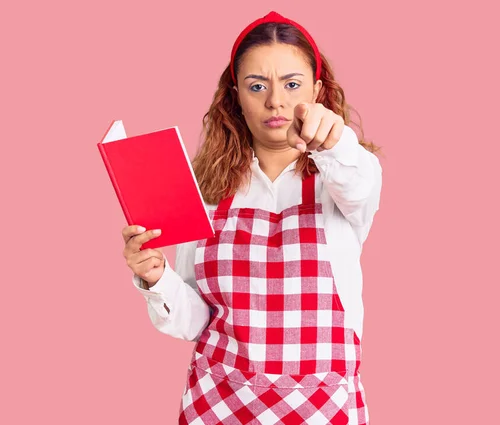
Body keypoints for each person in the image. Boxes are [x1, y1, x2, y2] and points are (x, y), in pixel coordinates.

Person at [121, 10, 382, 425]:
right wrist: (157, 277)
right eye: (256, 86)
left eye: (292, 85)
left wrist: (334, 141)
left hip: (320, 406)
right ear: (235, 95)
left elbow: (359, 182)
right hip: (219, 404)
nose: (275, 101)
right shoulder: (205, 188)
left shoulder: (345, 174)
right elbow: (195, 322)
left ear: (316, 91)